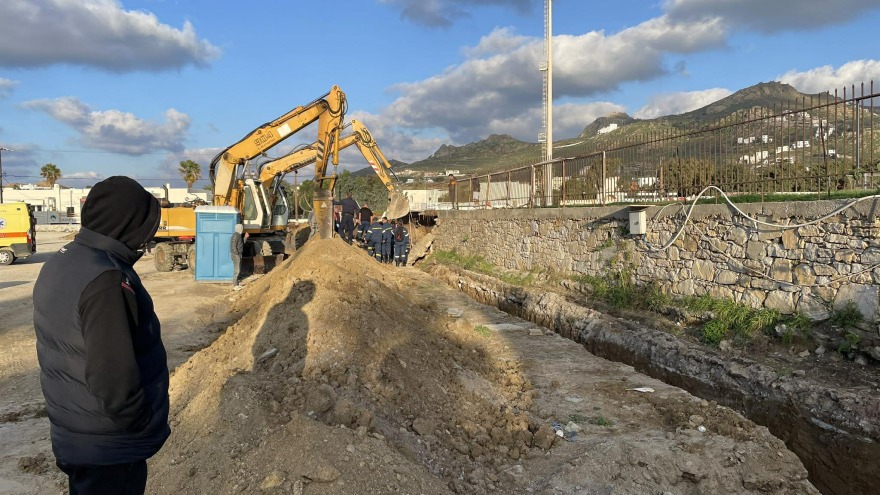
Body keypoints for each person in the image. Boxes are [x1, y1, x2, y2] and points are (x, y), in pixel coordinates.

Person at [32, 176, 170, 495]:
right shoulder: (107, 280)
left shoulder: (64, 260)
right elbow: (112, 373)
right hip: (110, 446)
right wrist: (139, 424)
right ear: (127, 223)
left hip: (78, 436)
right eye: (145, 225)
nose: (147, 237)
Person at [231, 224, 245, 290]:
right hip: (236, 255)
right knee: (237, 270)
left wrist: (245, 238)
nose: (242, 229)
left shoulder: (239, 235)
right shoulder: (235, 236)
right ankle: (235, 285)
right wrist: (237, 254)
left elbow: (241, 244)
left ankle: (237, 284)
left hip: (239, 254)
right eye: (241, 228)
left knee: (239, 269)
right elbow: (233, 246)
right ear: (239, 228)